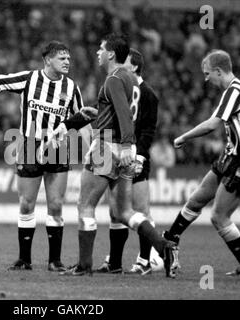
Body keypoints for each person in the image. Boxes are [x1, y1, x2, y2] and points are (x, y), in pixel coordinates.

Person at [51, 34, 177, 277]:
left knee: (85, 206)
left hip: (107, 148)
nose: (98, 52)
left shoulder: (113, 79)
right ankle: (164, 247)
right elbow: (120, 112)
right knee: (124, 212)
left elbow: (123, 115)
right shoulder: (132, 79)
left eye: (101, 48)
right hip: (122, 153)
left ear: (111, 54)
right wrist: (93, 116)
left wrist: (130, 146)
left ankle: (84, 266)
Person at [0, 41, 87, 272]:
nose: (67, 62)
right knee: (26, 204)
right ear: (47, 60)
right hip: (29, 145)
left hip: (57, 147)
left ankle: (54, 261)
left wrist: (92, 149)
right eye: (61, 58)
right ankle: (24, 259)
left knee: (56, 204)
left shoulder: (71, 87)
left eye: (68, 58)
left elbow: (82, 118)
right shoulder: (29, 79)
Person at [163, 49, 240, 277]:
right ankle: (170, 239)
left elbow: (212, 125)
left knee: (219, 217)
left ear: (218, 71)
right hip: (229, 157)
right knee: (196, 200)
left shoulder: (233, 92)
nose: (206, 79)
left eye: (207, 74)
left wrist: (184, 137)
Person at [95, 48, 161, 275]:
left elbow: (148, 130)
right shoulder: (124, 88)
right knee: (116, 211)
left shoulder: (147, 93)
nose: (121, 67)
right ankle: (114, 260)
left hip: (134, 155)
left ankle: (147, 258)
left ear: (133, 67)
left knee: (140, 209)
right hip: (115, 151)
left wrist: (140, 156)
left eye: (126, 64)